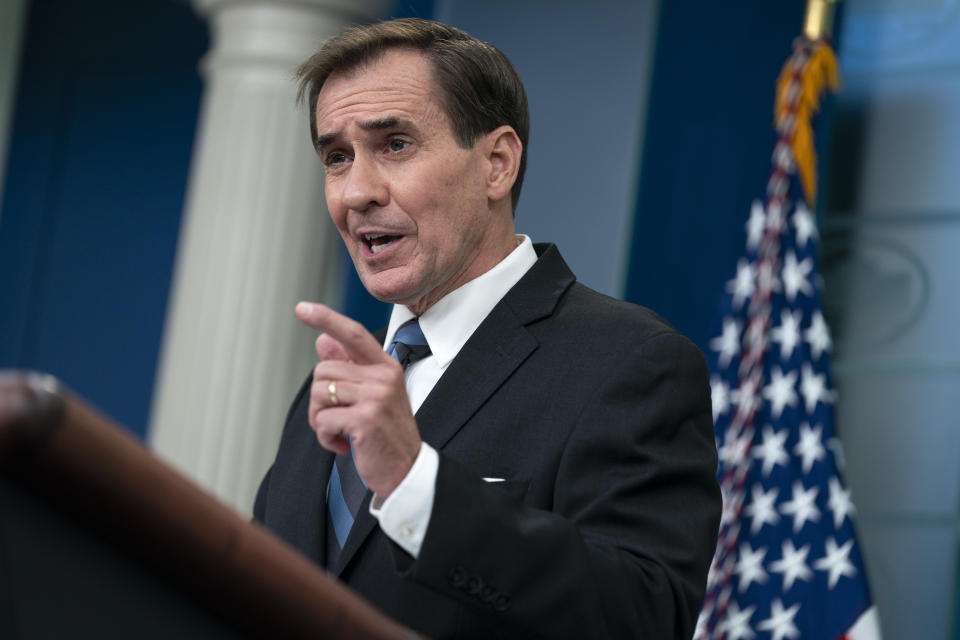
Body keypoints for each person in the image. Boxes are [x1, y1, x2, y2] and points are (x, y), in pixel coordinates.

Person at [253, 17, 720, 640]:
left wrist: (415, 485)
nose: (356, 191)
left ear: (497, 164)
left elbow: (644, 616)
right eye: (337, 157)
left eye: (394, 144)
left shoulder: (630, 363)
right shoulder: (332, 389)